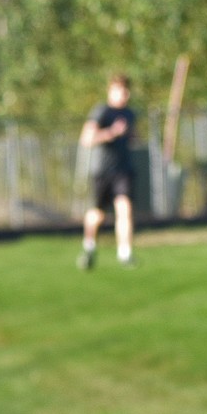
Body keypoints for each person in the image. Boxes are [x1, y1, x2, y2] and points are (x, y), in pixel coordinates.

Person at [78, 73, 137, 269]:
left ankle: (125, 253)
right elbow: (87, 140)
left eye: (126, 91)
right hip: (102, 171)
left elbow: (133, 138)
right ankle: (89, 245)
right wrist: (111, 133)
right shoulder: (101, 112)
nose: (124, 94)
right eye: (120, 90)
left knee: (124, 208)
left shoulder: (130, 114)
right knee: (98, 214)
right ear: (111, 91)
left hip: (123, 171)